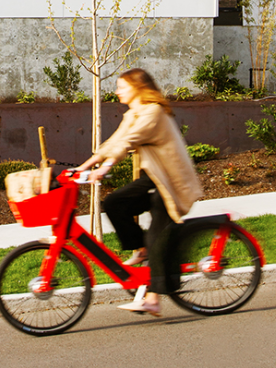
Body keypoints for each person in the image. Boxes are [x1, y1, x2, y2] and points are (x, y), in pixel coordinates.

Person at [77, 67, 202, 317]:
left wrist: (105, 169)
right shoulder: (133, 113)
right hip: (155, 178)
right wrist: (83, 167)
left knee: (157, 234)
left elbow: (128, 142)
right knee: (114, 203)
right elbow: (113, 143)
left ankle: (153, 299)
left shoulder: (153, 112)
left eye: (122, 86)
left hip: (171, 182)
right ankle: (141, 248)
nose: (117, 91)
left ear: (137, 88)